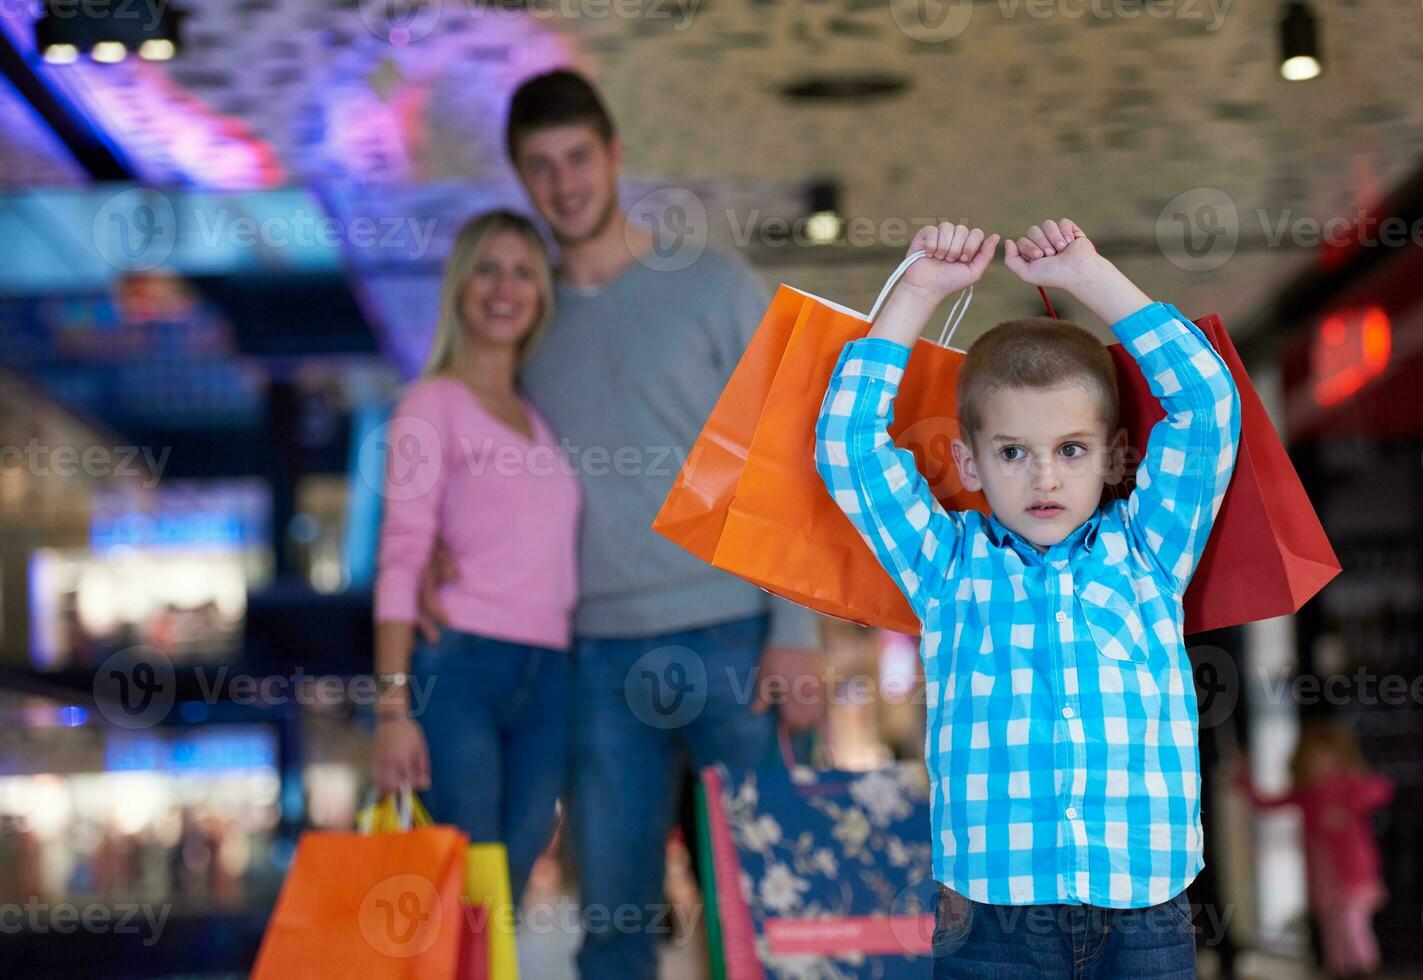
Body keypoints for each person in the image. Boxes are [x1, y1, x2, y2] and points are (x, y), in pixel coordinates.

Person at [420, 69, 826, 980]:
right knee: (613, 923)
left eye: (577, 158)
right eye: (540, 167)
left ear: (613, 156)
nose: (564, 184)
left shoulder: (713, 286)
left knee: (776, 906)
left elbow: (788, 460)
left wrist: (796, 635)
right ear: (520, 180)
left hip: (734, 634)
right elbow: (481, 463)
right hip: (595, 657)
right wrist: (435, 554)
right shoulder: (527, 323)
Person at [815, 219, 1243, 978]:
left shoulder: (1148, 551)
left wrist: (1090, 277)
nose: (1043, 478)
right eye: (1012, 452)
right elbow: (846, 445)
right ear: (967, 462)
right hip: (989, 920)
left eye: (1069, 450)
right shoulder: (946, 568)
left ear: (1110, 456)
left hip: (1143, 911)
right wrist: (915, 292)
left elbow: (1207, 403)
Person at [371, 210, 582, 902]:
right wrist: (392, 710)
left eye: (523, 272)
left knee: (508, 880)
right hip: (461, 668)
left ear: (541, 294)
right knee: (467, 884)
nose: (504, 288)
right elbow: (401, 554)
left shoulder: (540, 416)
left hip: (549, 673)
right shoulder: (431, 404)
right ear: (460, 286)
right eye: (486, 269)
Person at [1234, 717, 1394, 979]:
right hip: (1324, 877)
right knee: (1332, 929)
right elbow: (1266, 804)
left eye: (1328, 759)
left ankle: (1365, 969)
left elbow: (1381, 789)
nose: (1321, 765)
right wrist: (1244, 782)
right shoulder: (1306, 794)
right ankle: (1340, 970)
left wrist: (1348, 807)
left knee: (1353, 926)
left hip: (1353, 874)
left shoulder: (1347, 786)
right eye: (1315, 759)